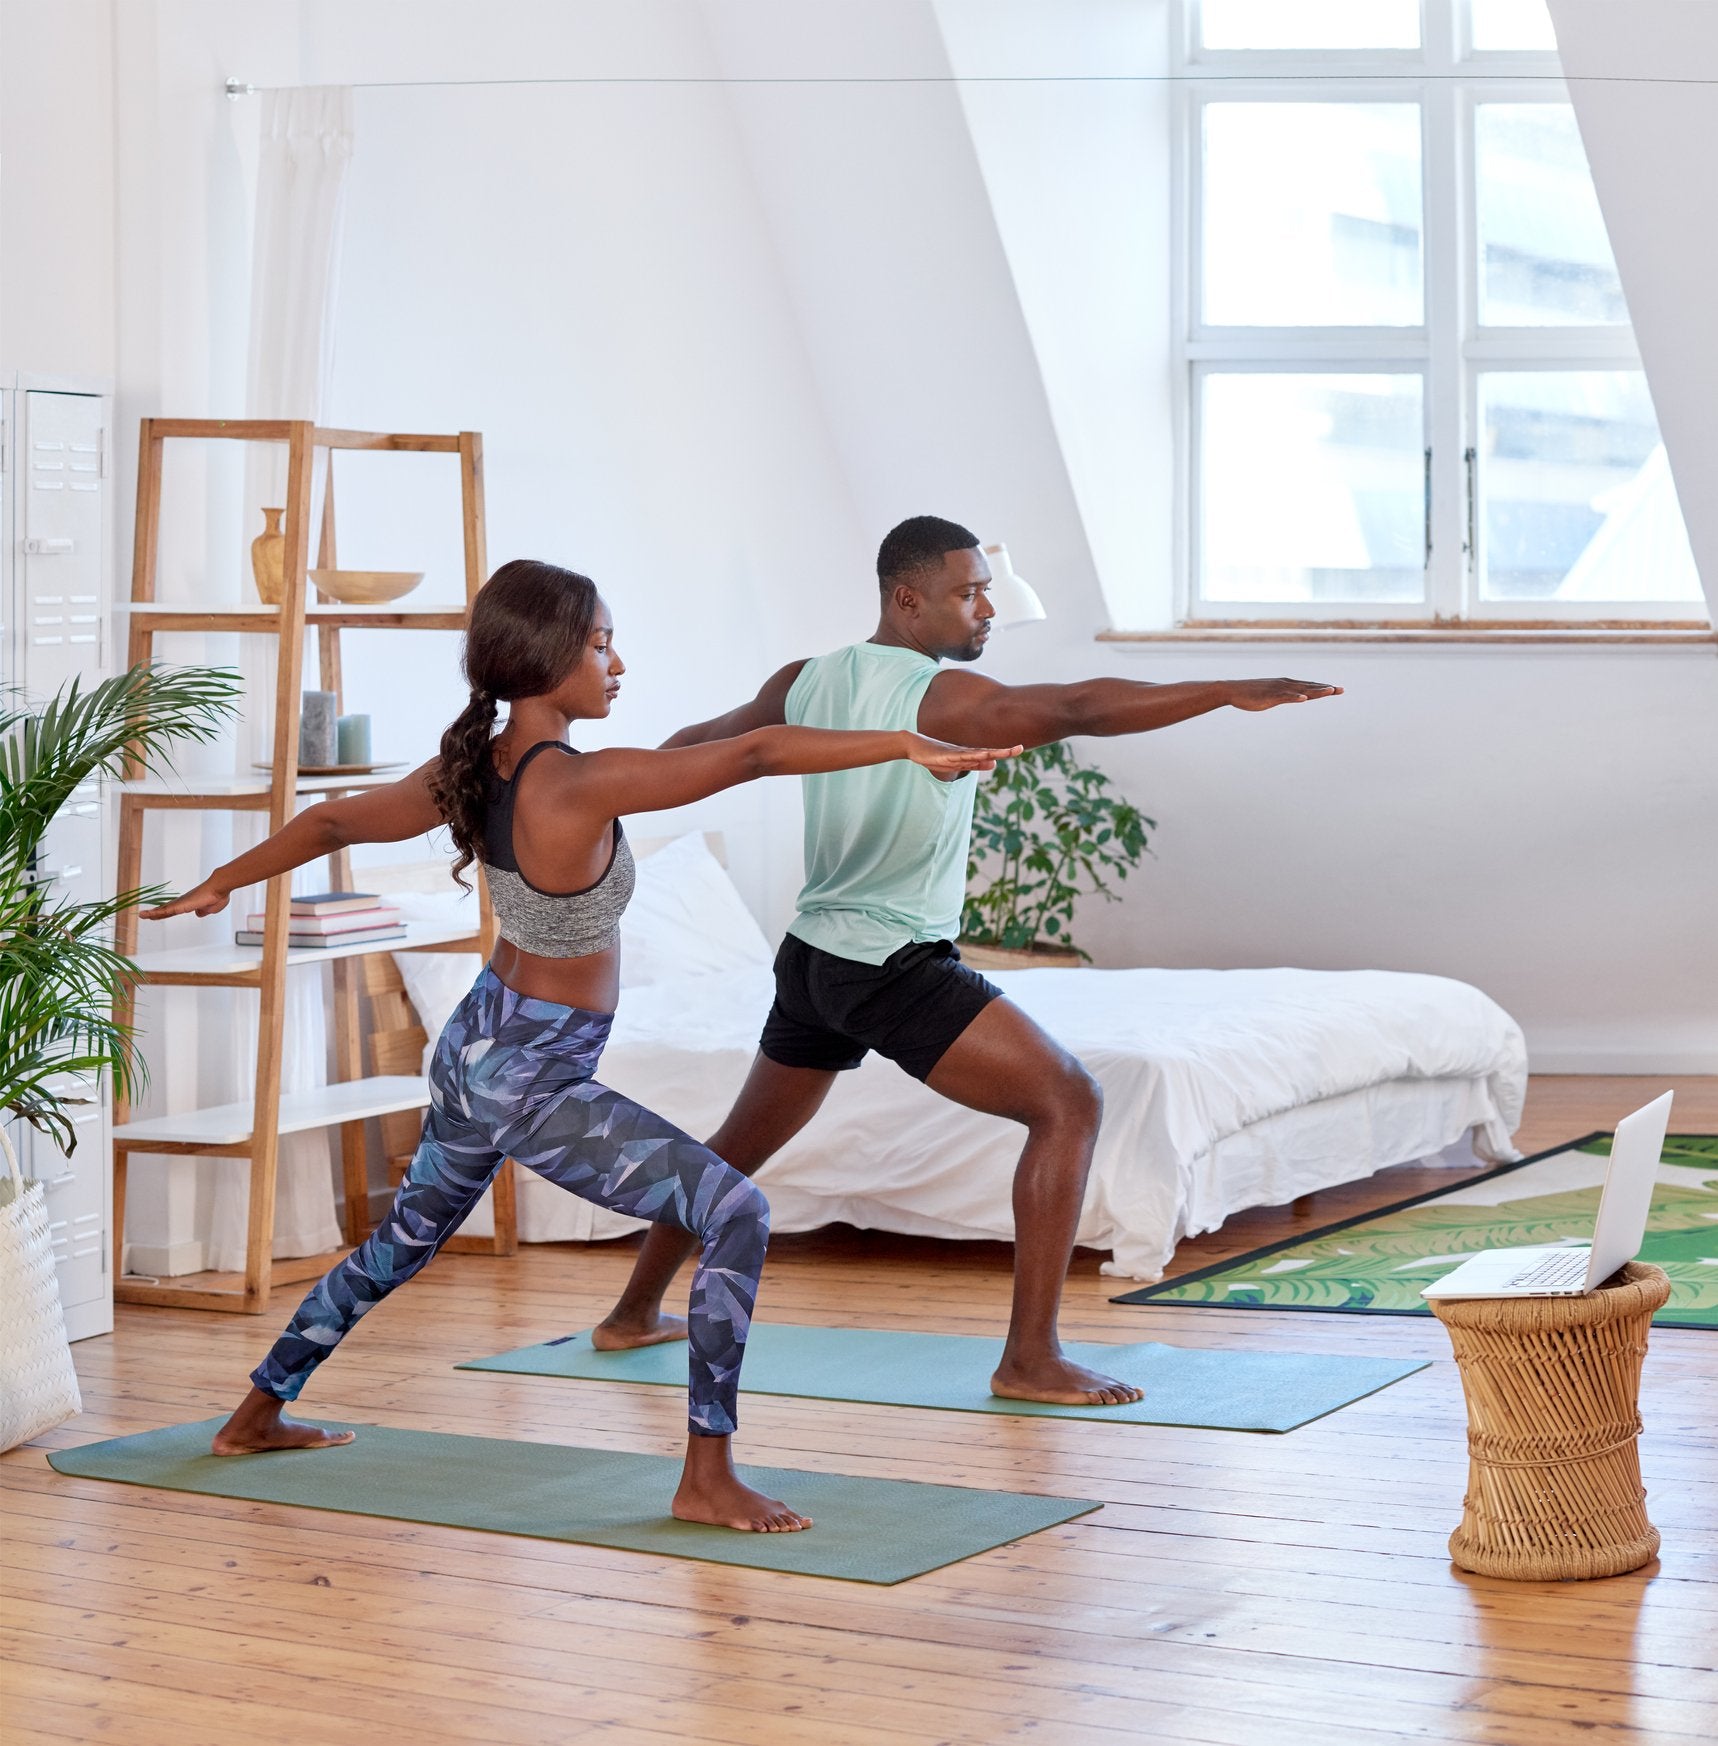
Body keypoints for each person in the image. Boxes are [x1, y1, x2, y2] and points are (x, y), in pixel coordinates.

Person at [141, 557, 1017, 1531]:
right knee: (735, 1213)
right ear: (549, 656)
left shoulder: (477, 769)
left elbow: (337, 817)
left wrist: (226, 876)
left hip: (477, 1044)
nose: (617, 663)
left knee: (403, 1242)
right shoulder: (578, 784)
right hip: (530, 1073)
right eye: (601, 644)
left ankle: (256, 1412)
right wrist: (902, 742)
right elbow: (754, 756)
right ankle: (705, 1475)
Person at [592, 516, 1344, 1406]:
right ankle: (1030, 1359)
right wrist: (1225, 688)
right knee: (1069, 1101)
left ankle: (631, 1313)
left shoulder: (806, 680)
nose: (986, 607)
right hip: (885, 960)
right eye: (968, 592)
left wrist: (589, 799)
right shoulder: (937, 697)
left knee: (738, 1145)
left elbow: (701, 745)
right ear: (907, 600)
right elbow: (1078, 708)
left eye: (984, 588)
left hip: (814, 958)